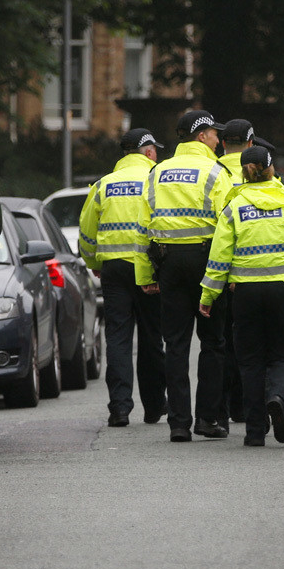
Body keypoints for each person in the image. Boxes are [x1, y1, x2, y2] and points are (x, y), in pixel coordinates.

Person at [199, 146, 284, 446]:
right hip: (283, 291)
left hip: (245, 294)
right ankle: (279, 397)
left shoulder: (234, 207)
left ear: (244, 171)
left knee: (250, 362)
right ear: (271, 169)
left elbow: (219, 258)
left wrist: (208, 296)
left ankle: (255, 432)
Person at [136, 110, 234, 442]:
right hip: (207, 261)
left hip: (168, 262)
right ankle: (207, 419)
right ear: (202, 136)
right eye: (214, 134)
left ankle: (179, 422)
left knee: (175, 344)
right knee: (213, 342)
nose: (219, 139)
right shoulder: (216, 172)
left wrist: (145, 275)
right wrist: (228, 271)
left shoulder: (157, 171)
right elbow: (227, 226)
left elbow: (142, 228)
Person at [79, 128, 168, 427]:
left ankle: (119, 408)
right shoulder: (155, 180)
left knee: (117, 337)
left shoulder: (104, 184)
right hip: (148, 269)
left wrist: (94, 261)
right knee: (151, 338)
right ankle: (155, 406)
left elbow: (86, 230)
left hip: (113, 269)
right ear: (149, 152)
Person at [216, 118, 257, 423]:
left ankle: (228, 405)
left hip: (221, 268)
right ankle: (248, 402)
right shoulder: (262, 172)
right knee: (252, 341)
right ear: (251, 144)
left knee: (223, 341)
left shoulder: (213, 171)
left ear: (221, 142)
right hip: (256, 270)